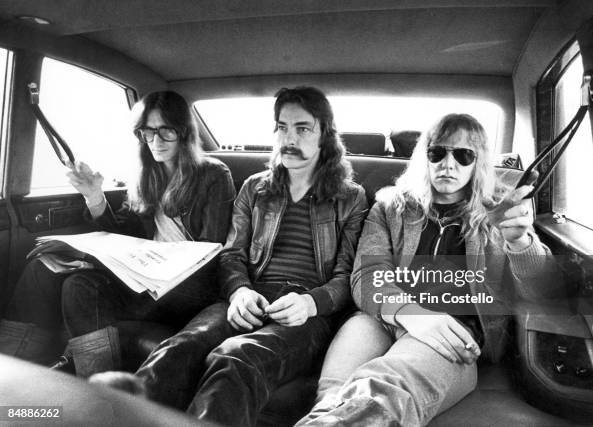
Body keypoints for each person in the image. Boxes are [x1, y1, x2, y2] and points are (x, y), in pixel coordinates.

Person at [91, 86, 369, 425]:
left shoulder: (350, 197)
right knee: (179, 348)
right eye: (282, 127)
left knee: (236, 356)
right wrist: (238, 291)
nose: (289, 138)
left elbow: (347, 277)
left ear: (325, 134)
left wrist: (311, 303)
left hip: (308, 314)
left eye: (302, 128)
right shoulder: (255, 187)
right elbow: (232, 254)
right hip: (247, 295)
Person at [296, 113, 559, 426]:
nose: (448, 165)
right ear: (425, 157)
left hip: (453, 330)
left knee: (383, 390)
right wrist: (412, 313)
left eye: (463, 155)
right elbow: (366, 278)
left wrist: (520, 243)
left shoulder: (501, 212)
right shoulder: (391, 205)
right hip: (380, 317)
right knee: (329, 398)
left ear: (478, 163)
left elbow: (542, 291)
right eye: (437, 153)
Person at [0, 91, 235, 376]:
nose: (155, 141)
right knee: (50, 272)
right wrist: (95, 197)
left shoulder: (213, 174)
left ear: (184, 133)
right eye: (147, 132)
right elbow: (122, 232)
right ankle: (18, 371)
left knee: (80, 280)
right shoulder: (145, 175)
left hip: (190, 282)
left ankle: (99, 389)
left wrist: (141, 265)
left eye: (166, 131)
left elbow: (211, 249)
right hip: (144, 272)